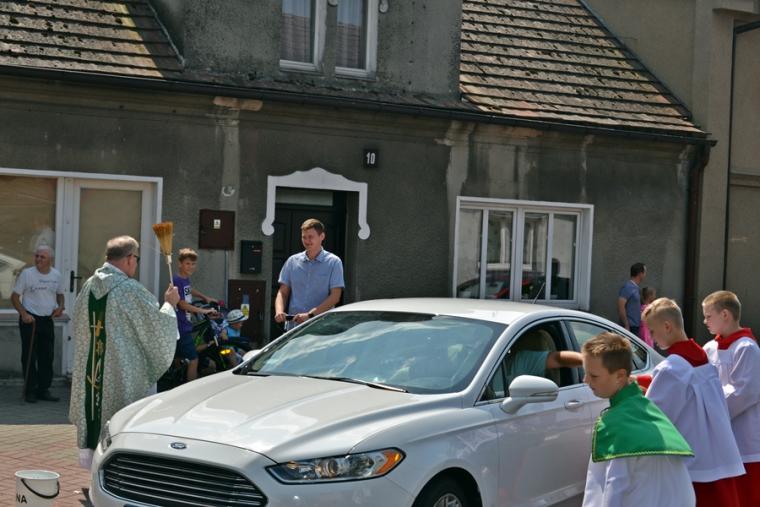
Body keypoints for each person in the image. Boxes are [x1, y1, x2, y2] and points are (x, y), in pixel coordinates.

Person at [69, 235, 179, 469]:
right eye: (136, 259)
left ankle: (95, 472)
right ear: (129, 258)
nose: (136, 264)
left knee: (94, 416)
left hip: (92, 373)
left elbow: (77, 325)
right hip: (119, 375)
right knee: (119, 422)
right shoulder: (130, 290)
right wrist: (170, 304)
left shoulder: (88, 286)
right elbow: (157, 328)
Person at [638, 298, 743, 507]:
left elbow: (654, 418)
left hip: (691, 464)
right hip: (716, 455)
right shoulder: (703, 358)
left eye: (652, 331)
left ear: (667, 326)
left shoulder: (671, 368)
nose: (652, 337)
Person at [581, 332, 695, 507]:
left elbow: (615, 483)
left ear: (620, 376)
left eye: (593, 376)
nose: (585, 380)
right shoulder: (646, 409)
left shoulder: (618, 421)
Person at [702, 290, 760, 506]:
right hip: (719, 436)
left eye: (708, 316)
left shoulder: (746, 348)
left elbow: (745, 392)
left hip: (745, 437)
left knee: (746, 496)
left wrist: (710, 411)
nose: (705, 321)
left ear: (725, 314)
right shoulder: (709, 348)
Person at [11, 245, 65, 403]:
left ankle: (43, 389)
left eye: (42, 257)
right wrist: (24, 314)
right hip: (30, 320)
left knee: (47, 356)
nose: (38, 259)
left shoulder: (56, 275)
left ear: (50, 260)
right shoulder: (27, 274)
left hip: (47, 320)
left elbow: (60, 294)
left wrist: (60, 307)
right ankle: (30, 390)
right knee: (29, 356)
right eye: (37, 256)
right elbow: (14, 297)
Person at [275, 219, 344, 330]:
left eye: (310, 237)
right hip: (294, 327)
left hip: (322, 326)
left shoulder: (334, 262)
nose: (307, 241)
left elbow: (335, 297)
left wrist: (310, 315)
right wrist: (279, 311)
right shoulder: (292, 261)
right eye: (304, 237)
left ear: (322, 236)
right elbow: (283, 292)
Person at [173, 248, 217, 382]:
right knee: (193, 359)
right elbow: (182, 304)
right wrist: (203, 311)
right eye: (187, 263)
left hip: (184, 323)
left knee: (179, 355)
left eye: (193, 264)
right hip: (180, 325)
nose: (191, 267)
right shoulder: (177, 280)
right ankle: (189, 387)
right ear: (180, 264)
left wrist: (205, 297)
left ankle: (176, 379)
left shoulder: (184, 279)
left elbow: (189, 290)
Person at [617, 262, 646, 335]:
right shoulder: (628, 287)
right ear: (640, 274)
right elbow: (621, 306)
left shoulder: (636, 288)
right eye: (644, 272)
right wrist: (626, 324)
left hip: (635, 326)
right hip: (629, 327)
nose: (645, 275)